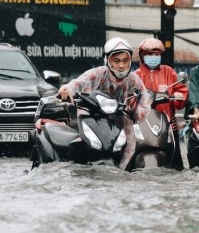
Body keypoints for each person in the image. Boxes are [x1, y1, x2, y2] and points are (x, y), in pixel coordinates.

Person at [57, 37, 152, 171]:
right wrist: (66, 91)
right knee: (76, 147)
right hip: (94, 121)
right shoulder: (96, 74)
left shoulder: (134, 80)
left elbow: (145, 104)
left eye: (125, 61)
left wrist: (135, 111)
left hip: (122, 123)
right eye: (116, 61)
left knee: (131, 151)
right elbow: (77, 84)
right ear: (107, 60)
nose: (121, 65)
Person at [134, 37, 188, 170]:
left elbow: (181, 92)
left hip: (168, 125)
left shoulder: (169, 72)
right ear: (142, 55)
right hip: (143, 127)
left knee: (176, 165)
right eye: (150, 54)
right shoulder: (136, 76)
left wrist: (178, 96)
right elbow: (129, 98)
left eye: (157, 54)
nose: (153, 57)